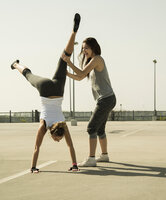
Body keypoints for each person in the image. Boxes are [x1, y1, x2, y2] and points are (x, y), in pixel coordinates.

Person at [11, 13, 81, 173]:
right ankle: (15, 64)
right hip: (44, 89)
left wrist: (75, 165)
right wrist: (33, 167)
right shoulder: (44, 125)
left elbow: (70, 145)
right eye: (58, 139)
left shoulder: (62, 124)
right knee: (28, 75)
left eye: (58, 139)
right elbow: (37, 147)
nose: (58, 141)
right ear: (52, 132)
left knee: (64, 58)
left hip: (57, 88)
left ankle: (74, 32)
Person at [63, 37, 116, 167]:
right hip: (108, 99)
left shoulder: (97, 59)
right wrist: (67, 74)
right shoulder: (94, 61)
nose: (84, 50)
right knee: (100, 129)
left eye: (86, 48)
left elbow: (81, 73)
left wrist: (68, 62)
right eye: (82, 48)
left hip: (105, 99)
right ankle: (104, 155)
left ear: (93, 47)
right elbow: (80, 77)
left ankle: (91, 159)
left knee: (91, 127)